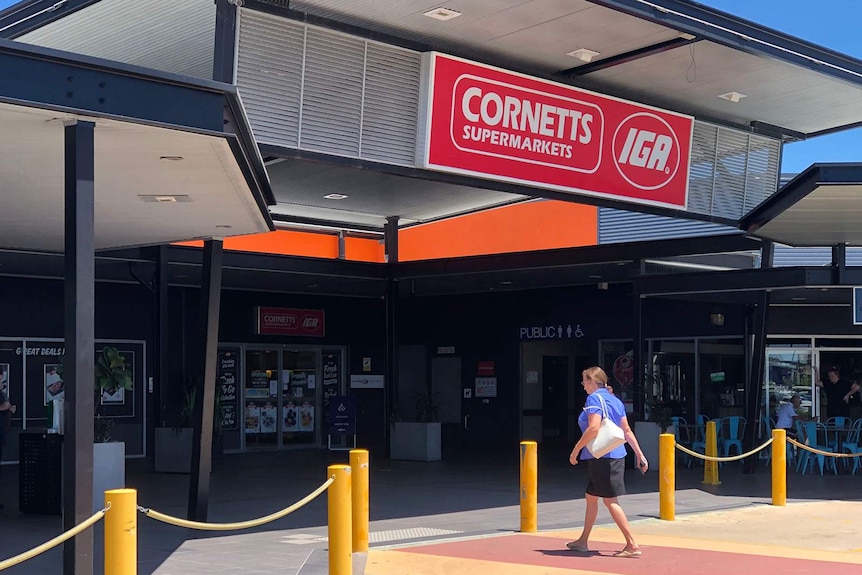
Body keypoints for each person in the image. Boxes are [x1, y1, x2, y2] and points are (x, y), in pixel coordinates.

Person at [567, 366, 648, 558]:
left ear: (593, 382)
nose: (583, 385)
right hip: (614, 455)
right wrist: (639, 454)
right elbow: (626, 430)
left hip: (602, 457)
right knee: (591, 497)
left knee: (610, 501)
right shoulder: (615, 400)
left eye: (584, 381)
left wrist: (576, 449)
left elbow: (594, 428)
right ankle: (583, 540)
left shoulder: (594, 398)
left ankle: (631, 543)